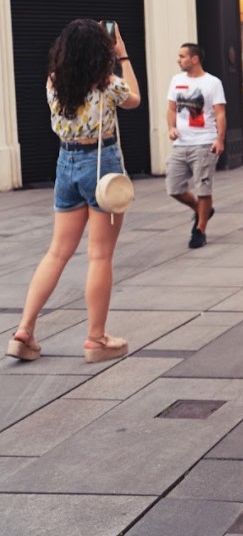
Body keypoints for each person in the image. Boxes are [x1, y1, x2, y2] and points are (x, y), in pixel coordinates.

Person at [7, 19, 141, 363]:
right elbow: (135, 100)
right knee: (99, 256)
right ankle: (96, 339)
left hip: (66, 163)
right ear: (101, 51)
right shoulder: (107, 84)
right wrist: (122, 56)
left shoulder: (54, 82)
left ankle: (25, 329)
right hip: (102, 164)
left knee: (56, 252)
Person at [166, 43, 226, 249]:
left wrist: (219, 139)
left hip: (204, 143)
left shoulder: (212, 83)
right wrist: (171, 128)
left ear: (195, 59)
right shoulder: (176, 80)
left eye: (182, 56)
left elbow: (220, 113)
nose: (178, 60)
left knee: (203, 189)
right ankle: (202, 210)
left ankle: (200, 229)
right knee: (173, 188)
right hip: (180, 143)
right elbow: (171, 109)